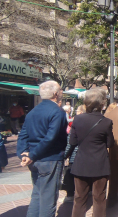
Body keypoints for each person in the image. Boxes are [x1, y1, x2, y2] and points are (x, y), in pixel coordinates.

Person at [17, 80, 68, 217]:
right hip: (49, 159)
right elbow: (50, 138)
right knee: (48, 199)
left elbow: (23, 135)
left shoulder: (33, 112)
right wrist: (30, 155)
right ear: (56, 94)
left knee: (37, 195)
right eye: (61, 90)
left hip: (35, 159)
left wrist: (23, 154)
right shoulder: (57, 112)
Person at [66, 89, 113, 217]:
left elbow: (73, 141)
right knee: (99, 198)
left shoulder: (78, 119)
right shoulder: (106, 122)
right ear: (102, 105)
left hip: (81, 162)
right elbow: (110, 143)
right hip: (100, 163)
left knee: (79, 197)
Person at [62, 105, 86, 203]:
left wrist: (65, 155)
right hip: (87, 155)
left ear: (80, 112)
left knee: (71, 175)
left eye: (77, 110)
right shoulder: (93, 122)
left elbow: (70, 142)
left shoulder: (76, 123)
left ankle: (71, 194)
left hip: (75, 155)